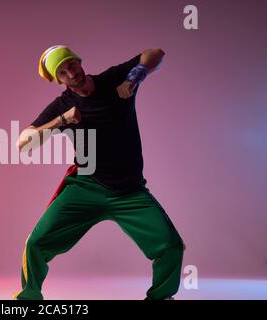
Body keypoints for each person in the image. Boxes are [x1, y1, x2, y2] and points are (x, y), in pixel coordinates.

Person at [12, 45, 185, 300]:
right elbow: (22, 143)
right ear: (59, 80)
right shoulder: (63, 105)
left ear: (79, 61)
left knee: (171, 246)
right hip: (86, 187)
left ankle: (160, 297)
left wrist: (135, 77)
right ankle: (29, 299)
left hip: (130, 192)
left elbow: (156, 53)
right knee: (36, 243)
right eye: (62, 72)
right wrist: (61, 121)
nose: (70, 74)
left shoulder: (113, 78)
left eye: (71, 64)